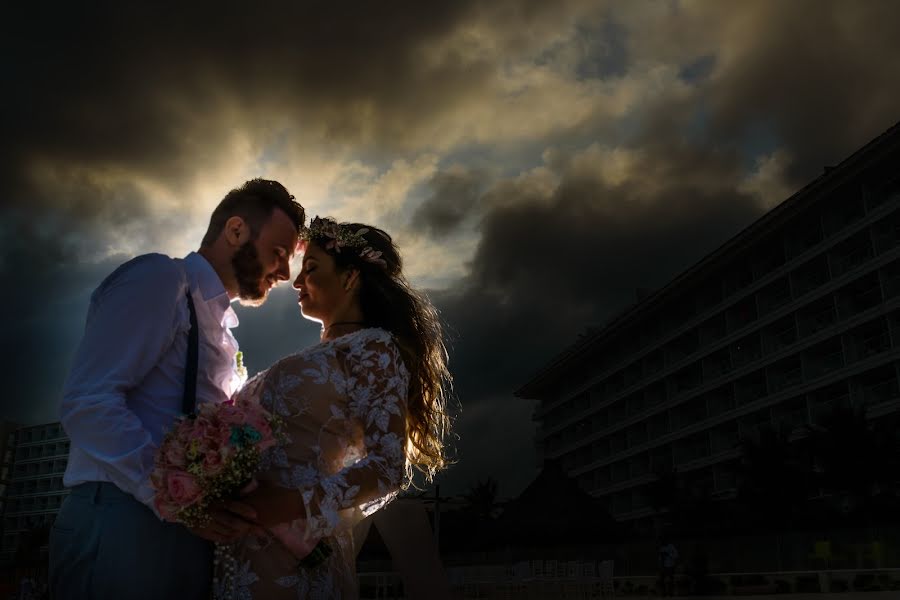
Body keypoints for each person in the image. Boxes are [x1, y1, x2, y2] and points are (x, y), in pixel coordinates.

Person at [49, 179, 305, 600]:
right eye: (278, 253)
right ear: (236, 230)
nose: (283, 272)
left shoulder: (225, 332)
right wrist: (175, 499)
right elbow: (88, 403)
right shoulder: (161, 279)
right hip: (121, 520)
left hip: (184, 530)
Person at [214, 217, 452, 599]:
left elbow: (387, 468)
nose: (296, 282)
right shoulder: (320, 354)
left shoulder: (373, 349)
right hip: (241, 549)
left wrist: (287, 506)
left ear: (350, 277)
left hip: (295, 551)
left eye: (311, 269)